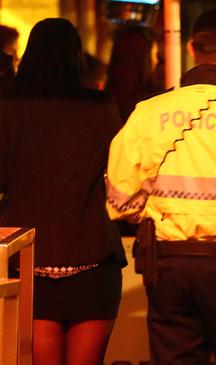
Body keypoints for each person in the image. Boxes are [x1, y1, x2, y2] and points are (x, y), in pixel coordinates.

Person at [105, 9, 216, 364]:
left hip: (166, 264)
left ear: (192, 49)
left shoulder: (148, 112)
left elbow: (120, 201)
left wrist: (155, 212)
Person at [0, 18, 125, 365]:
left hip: (29, 258)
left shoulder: (9, 107)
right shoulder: (101, 106)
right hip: (93, 255)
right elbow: (118, 174)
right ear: (76, 58)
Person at [105, 25, 161, 121]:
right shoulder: (152, 100)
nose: (156, 61)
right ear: (143, 58)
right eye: (154, 54)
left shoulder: (104, 100)